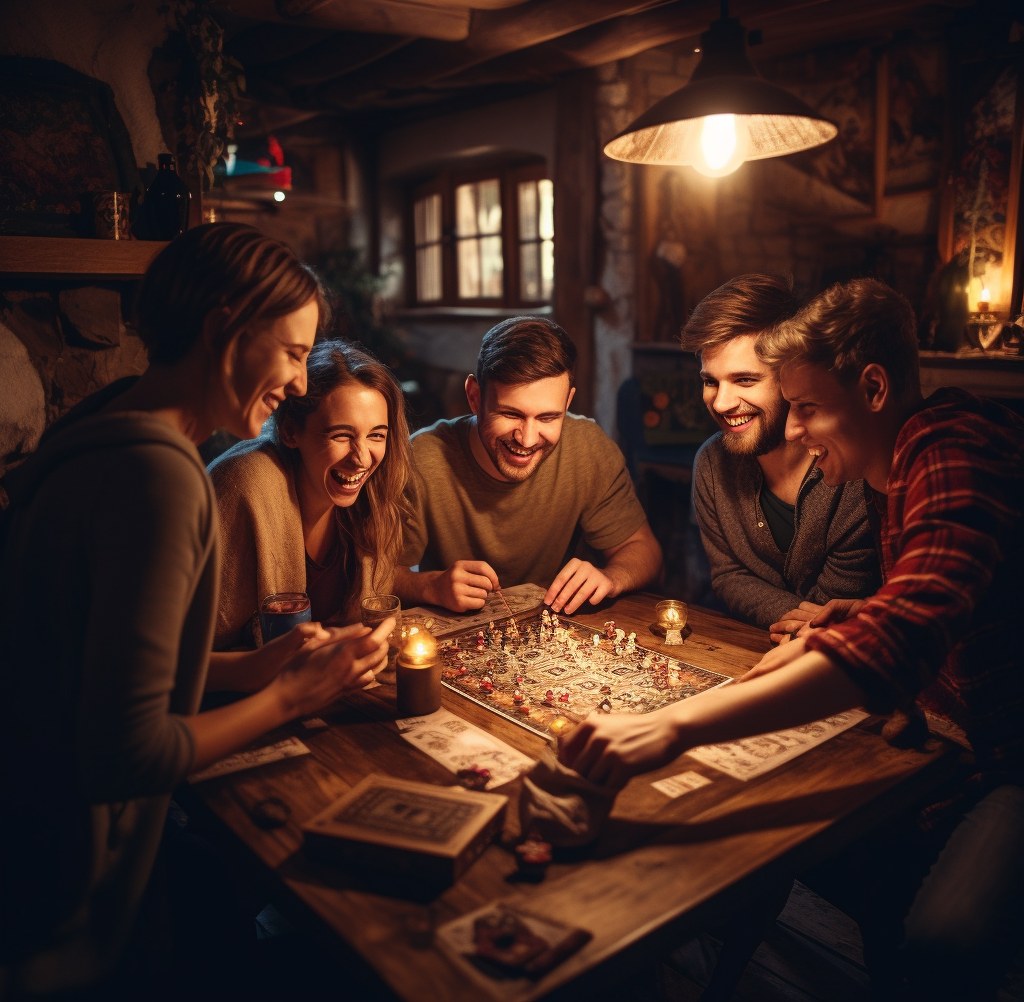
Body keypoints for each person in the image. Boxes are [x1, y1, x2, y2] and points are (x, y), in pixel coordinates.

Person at [563, 278, 1024, 999]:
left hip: (1009, 758)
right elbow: (901, 607)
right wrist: (837, 622)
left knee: (944, 942)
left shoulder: (949, 446)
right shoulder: (892, 469)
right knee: (762, 835)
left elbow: (907, 629)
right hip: (957, 746)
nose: (799, 432)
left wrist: (673, 726)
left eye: (807, 407)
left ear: (872, 388)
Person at [0, 224, 393, 997]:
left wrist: (255, 665)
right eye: (289, 353)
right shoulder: (161, 478)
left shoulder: (97, 424)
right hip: (68, 867)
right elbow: (125, 753)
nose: (299, 384)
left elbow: (99, 667)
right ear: (224, 329)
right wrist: (291, 695)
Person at [394, 316, 662, 615]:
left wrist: (611, 578)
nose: (527, 439)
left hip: (555, 636)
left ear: (568, 400)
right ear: (474, 397)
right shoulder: (420, 457)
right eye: (511, 414)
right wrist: (429, 586)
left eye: (548, 418)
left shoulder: (588, 448)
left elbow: (643, 549)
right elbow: (373, 576)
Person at [684, 274, 879, 638]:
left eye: (745, 380)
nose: (721, 403)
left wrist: (806, 624)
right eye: (710, 381)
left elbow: (832, 611)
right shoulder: (711, 464)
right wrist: (794, 618)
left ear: (792, 378)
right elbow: (728, 576)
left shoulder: (851, 472)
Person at [207, 340, 410, 669]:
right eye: (341, 435)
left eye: (376, 435)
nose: (361, 458)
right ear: (290, 431)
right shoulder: (245, 485)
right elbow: (184, 654)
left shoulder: (372, 504)